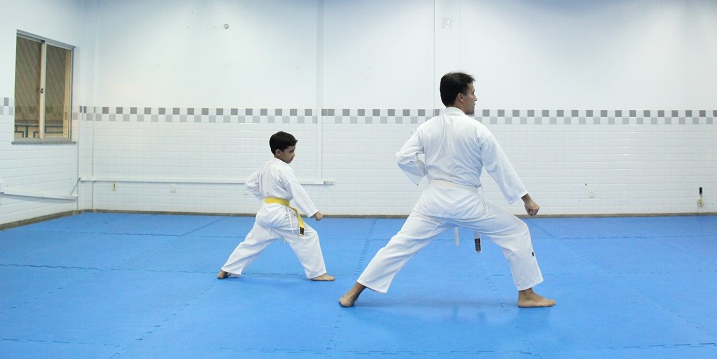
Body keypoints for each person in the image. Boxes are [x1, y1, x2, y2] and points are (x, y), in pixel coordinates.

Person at [339, 72, 554, 308]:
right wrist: (526, 199)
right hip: (467, 203)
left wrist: (425, 172)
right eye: (473, 93)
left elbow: (403, 157)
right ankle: (527, 295)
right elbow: (500, 167)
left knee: (399, 245)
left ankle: (352, 293)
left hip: (432, 202)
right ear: (461, 97)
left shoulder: (427, 127)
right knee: (517, 231)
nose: (476, 98)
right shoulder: (477, 130)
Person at [217, 131, 334, 282]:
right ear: (278, 152)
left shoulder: (266, 165)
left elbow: (250, 183)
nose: (294, 155)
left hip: (266, 212)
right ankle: (317, 273)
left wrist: (266, 196)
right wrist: (313, 211)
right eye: (290, 151)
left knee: (252, 243)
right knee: (308, 236)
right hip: (280, 215)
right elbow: (297, 190)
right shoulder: (283, 169)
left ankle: (228, 268)